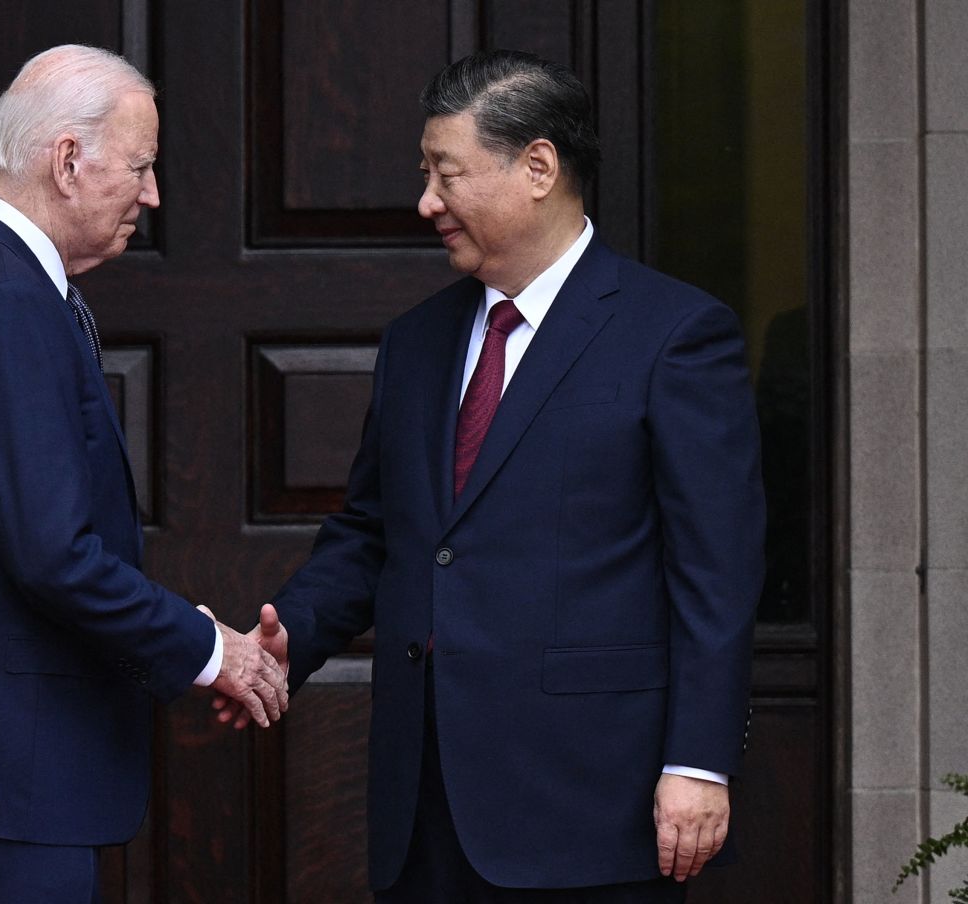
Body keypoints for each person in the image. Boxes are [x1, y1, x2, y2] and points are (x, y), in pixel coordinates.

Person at [219, 51, 764, 902]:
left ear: (538, 168)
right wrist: (294, 631)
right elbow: (374, 531)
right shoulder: (418, 340)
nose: (427, 202)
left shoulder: (675, 335)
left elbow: (715, 572)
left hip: (592, 803)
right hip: (425, 803)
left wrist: (698, 760)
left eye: (446, 173)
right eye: (425, 174)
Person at [0, 44, 287, 904]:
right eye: (142, 166)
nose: (152, 195)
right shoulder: (3, 299)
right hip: (3, 763)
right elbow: (51, 554)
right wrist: (209, 650)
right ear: (69, 160)